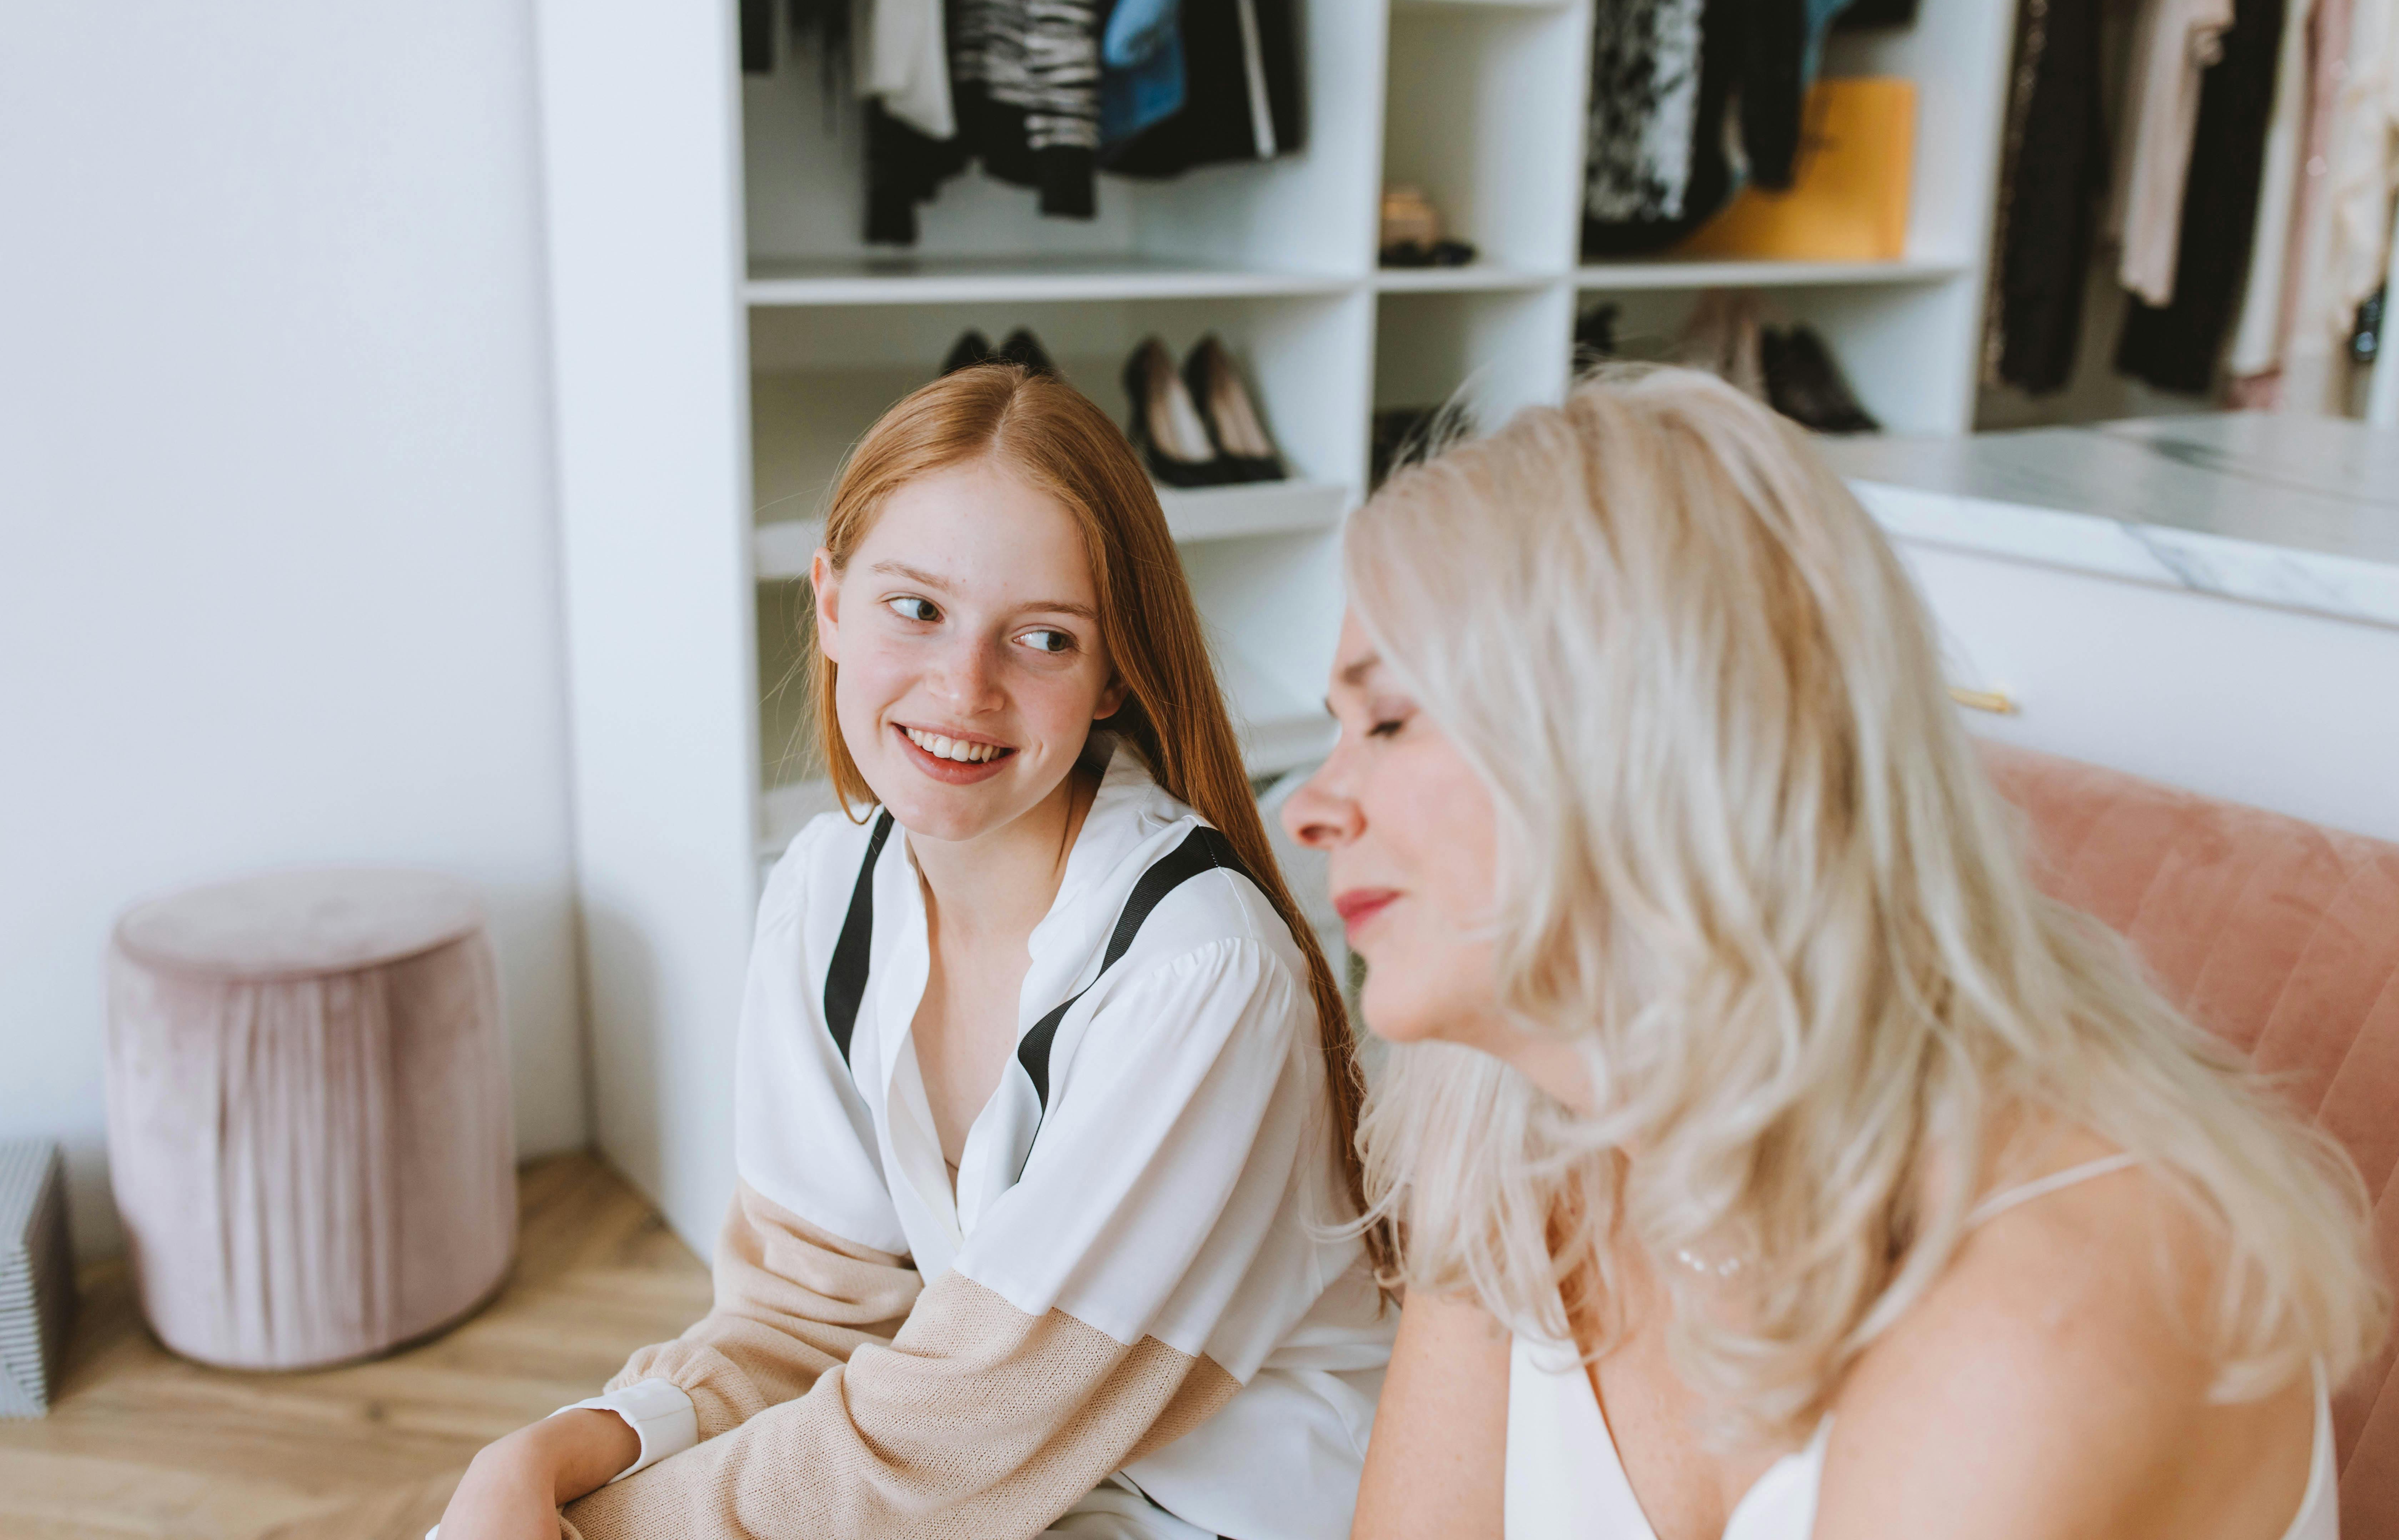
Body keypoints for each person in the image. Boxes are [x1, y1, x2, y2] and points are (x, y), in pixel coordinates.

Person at [1282, 368, 2388, 1540]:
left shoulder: (2048, 1299)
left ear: (1642, 742)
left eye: (1388, 721)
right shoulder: (1516, 1125)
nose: (1310, 808)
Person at [436, 364, 1393, 1540]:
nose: (964, 687)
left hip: (1218, 1508)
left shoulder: (1199, 971)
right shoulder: (827, 892)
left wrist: (605, 1530)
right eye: (917, 610)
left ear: (1111, 677)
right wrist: (565, 1448)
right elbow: (803, 1318)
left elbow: (971, 1424)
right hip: (1004, 1479)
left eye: (1042, 638)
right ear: (831, 603)